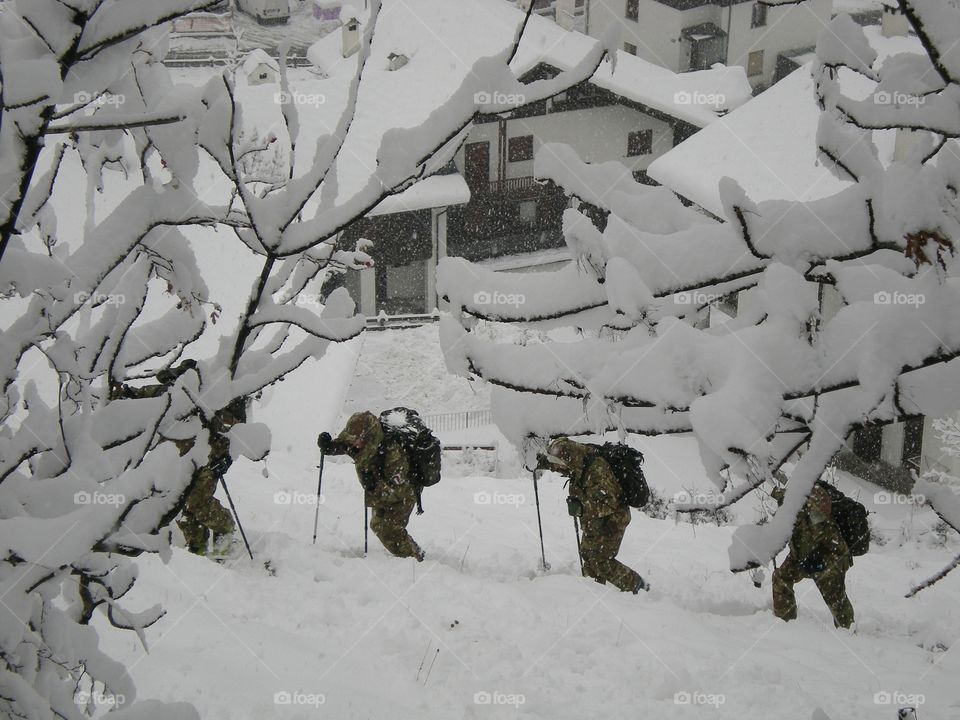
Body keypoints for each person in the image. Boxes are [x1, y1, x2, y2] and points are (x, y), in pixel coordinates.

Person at [110, 360, 240, 556]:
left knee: (198, 503)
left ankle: (225, 534)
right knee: (178, 506)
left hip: (204, 460)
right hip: (171, 460)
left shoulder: (211, 400)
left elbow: (235, 428)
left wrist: (225, 458)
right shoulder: (167, 395)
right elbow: (140, 397)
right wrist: (122, 392)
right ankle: (199, 551)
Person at [538, 438, 649, 593]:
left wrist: (581, 507)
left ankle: (638, 586)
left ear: (568, 458)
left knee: (601, 561)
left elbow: (610, 502)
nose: (557, 466)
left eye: (557, 462)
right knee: (588, 553)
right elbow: (563, 466)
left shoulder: (596, 470)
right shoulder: (578, 461)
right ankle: (593, 590)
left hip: (613, 520)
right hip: (595, 521)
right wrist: (545, 463)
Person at [319, 412, 425, 561]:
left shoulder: (392, 455)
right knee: (378, 526)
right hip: (381, 493)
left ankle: (413, 560)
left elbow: (398, 492)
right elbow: (346, 446)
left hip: (403, 496)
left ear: (368, 437)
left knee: (390, 530)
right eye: (353, 440)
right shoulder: (362, 445)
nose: (354, 444)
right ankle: (414, 551)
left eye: (357, 440)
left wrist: (374, 485)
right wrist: (329, 447)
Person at [771, 483, 855, 629]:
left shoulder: (812, 504)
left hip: (830, 558)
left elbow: (822, 532)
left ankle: (848, 630)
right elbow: (786, 534)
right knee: (781, 577)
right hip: (804, 556)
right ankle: (784, 623)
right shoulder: (791, 508)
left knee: (835, 598)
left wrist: (813, 560)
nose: (779, 505)